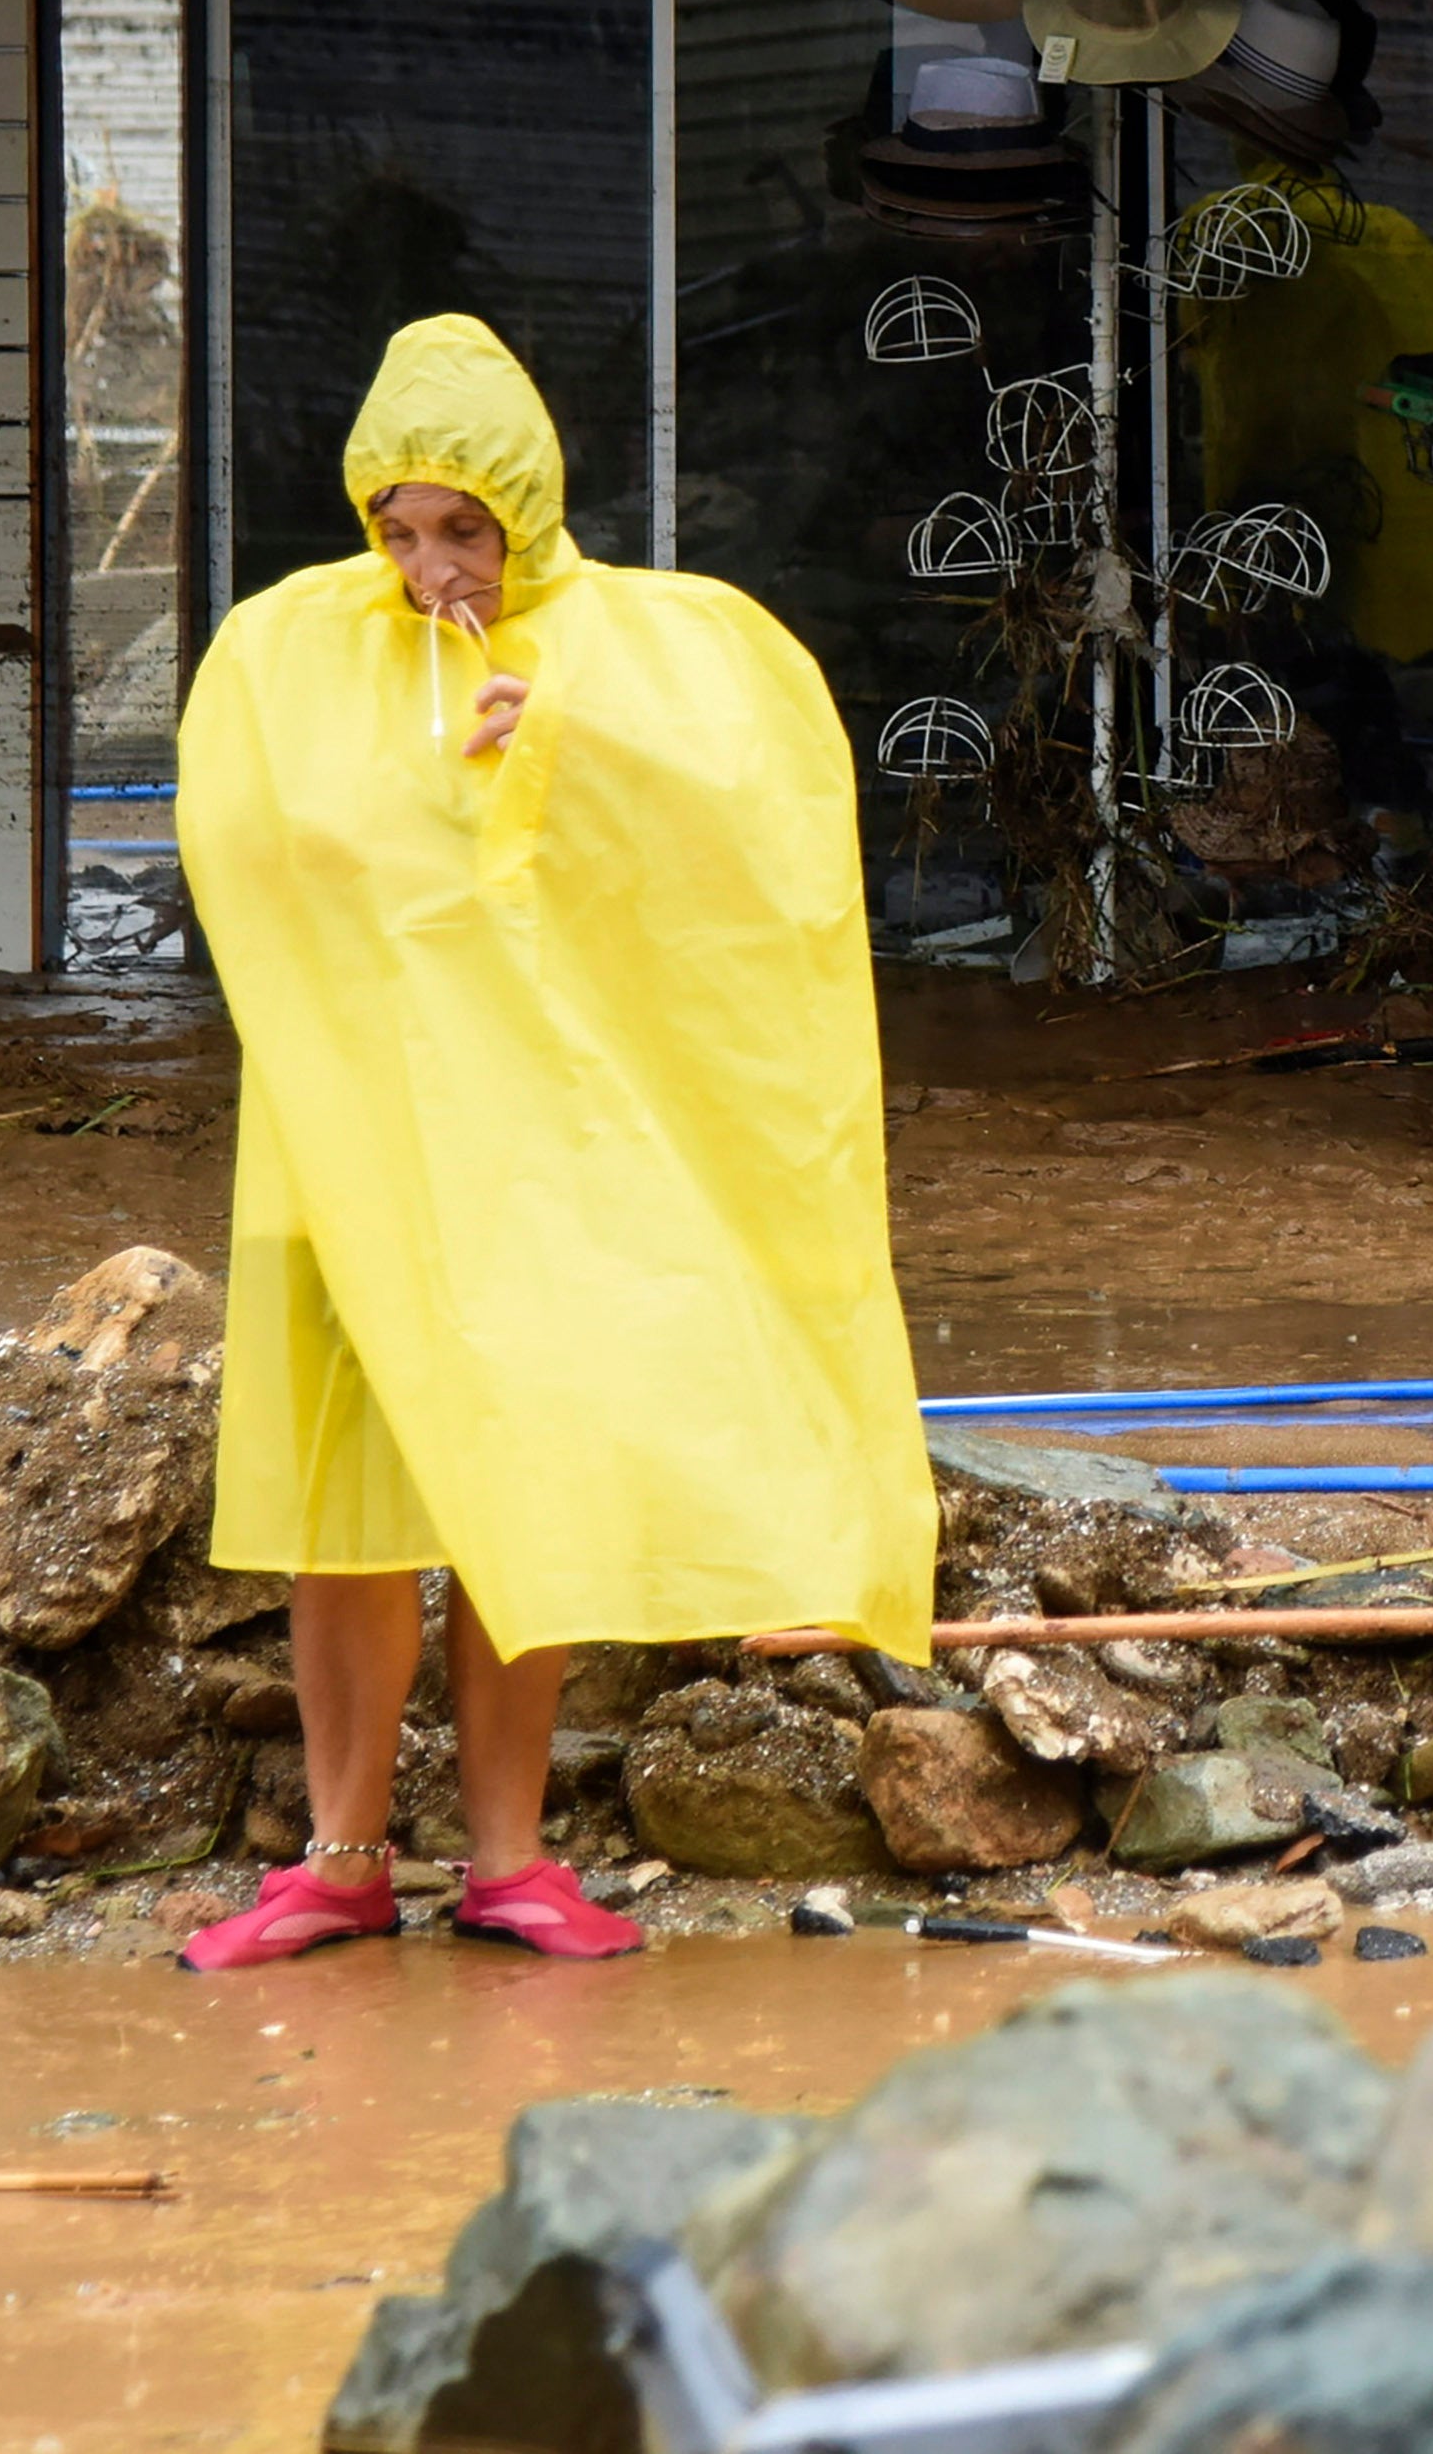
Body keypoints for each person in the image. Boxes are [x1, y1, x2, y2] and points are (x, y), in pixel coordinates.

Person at [163, 315, 935, 1967]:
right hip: (339, 1133)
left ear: (531, 505)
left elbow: (757, 836)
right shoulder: (290, 650)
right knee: (339, 1505)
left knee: (525, 1479)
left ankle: (510, 1858)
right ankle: (343, 1854)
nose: (433, 564)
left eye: (467, 528)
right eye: (401, 527)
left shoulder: (655, 647)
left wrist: (571, 747)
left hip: (531, 1155)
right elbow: (244, 846)